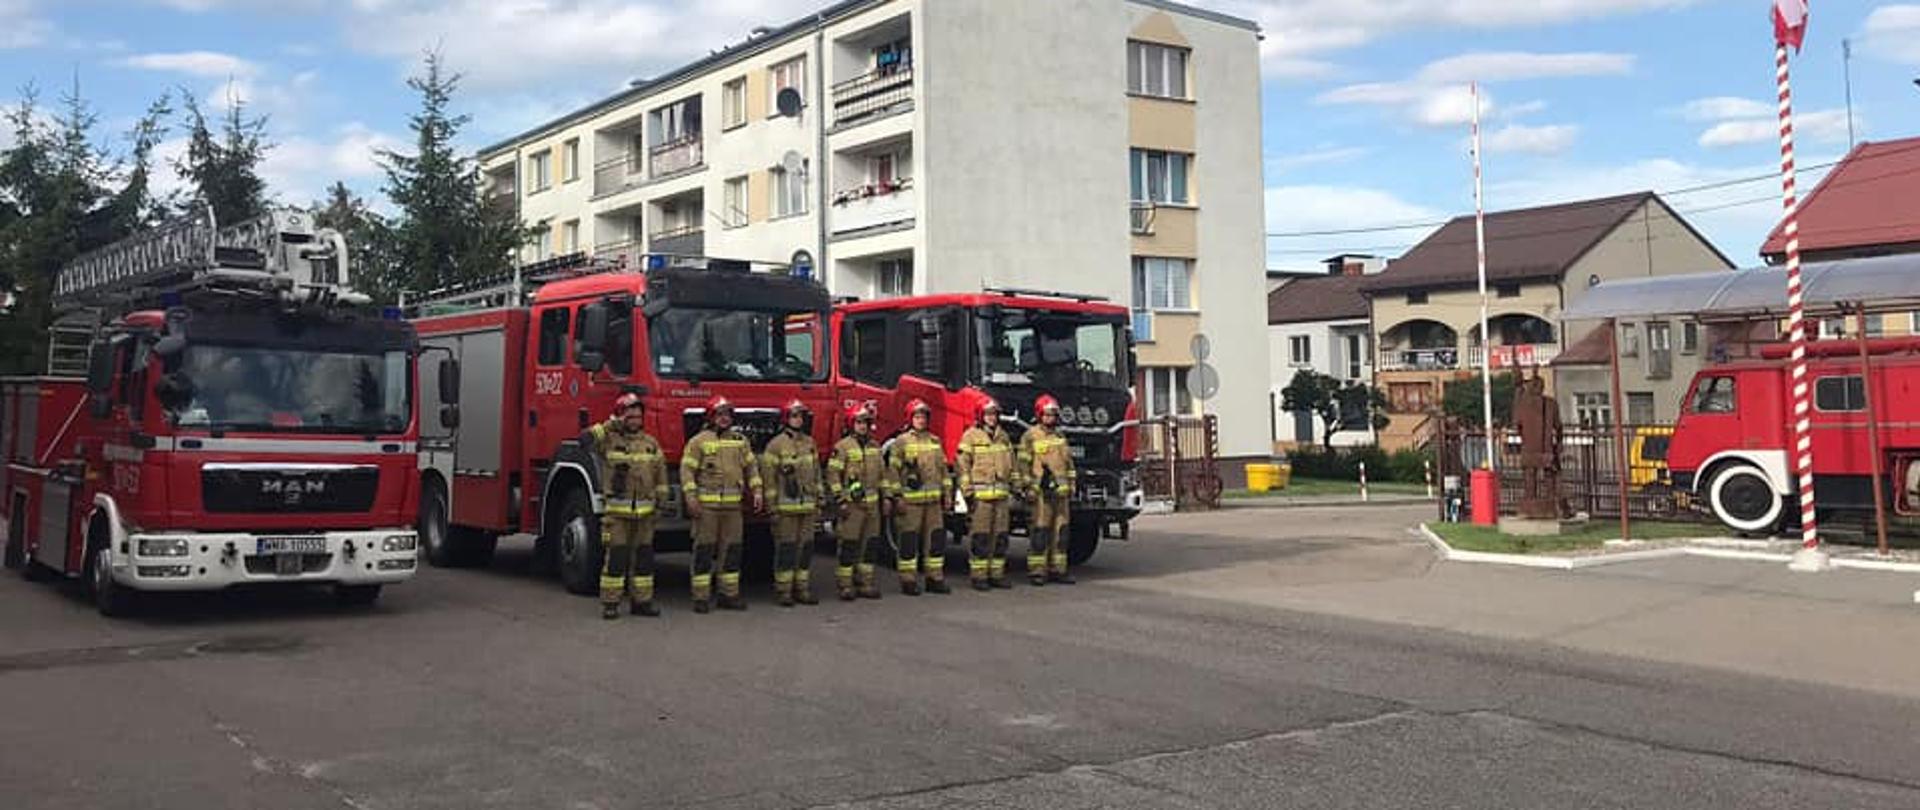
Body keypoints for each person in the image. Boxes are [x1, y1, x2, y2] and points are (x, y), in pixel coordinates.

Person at [580, 393, 668, 619]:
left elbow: (661, 477)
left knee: (643, 560)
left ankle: (642, 602)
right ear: (620, 417)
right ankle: (611, 603)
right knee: (616, 559)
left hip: (645, 515)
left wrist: (661, 504)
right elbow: (585, 439)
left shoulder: (651, 444)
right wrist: (611, 423)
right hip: (617, 516)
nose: (635, 420)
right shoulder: (608, 441)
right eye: (630, 416)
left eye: (638, 416)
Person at [681, 395, 763, 613]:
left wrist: (757, 491)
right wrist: (691, 497)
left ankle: (729, 594)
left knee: (733, 550)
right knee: (704, 551)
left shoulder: (740, 441)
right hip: (706, 508)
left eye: (727, 414)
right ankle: (700, 597)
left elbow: (752, 468)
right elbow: (687, 470)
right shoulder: (698, 441)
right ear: (711, 417)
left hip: (733, 508)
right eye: (720, 414)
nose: (724, 419)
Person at [887, 399, 952, 595]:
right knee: (908, 542)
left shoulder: (935, 441)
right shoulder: (901, 442)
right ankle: (908, 580)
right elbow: (892, 472)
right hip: (911, 503)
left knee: (936, 541)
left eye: (923, 417)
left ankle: (935, 578)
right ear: (910, 418)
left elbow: (943, 472)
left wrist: (947, 494)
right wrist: (896, 497)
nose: (921, 420)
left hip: (933, 503)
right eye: (917, 416)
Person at [762, 399, 822, 608]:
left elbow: (816, 475)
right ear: (786, 419)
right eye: (794, 416)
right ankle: (784, 591)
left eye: (801, 416)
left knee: (805, 548)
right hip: (785, 509)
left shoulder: (810, 443)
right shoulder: (775, 445)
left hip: (807, 507)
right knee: (786, 549)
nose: (798, 420)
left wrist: (819, 502)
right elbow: (769, 481)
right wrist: (772, 508)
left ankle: (802, 589)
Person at [826, 401, 888, 601]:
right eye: (859, 422)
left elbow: (883, 475)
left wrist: (887, 497)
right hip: (852, 507)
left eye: (866, 422)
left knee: (869, 546)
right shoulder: (842, 447)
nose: (863, 426)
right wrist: (840, 500)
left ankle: (866, 583)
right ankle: (845, 585)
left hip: (872, 507)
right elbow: (833, 475)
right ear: (851, 423)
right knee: (849, 545)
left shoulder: (875, 447)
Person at [956, 395, 1019, 590]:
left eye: (994, 414)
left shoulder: (1003, 437)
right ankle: (979, 576)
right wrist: (967, 491)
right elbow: (962, 465)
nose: (992, 418)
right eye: (988, 414)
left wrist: (1017, 487)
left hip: (1000, 498)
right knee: (980, 538)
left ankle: (997, 574)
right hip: (980, 498)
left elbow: (1013, 464)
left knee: (1000, 538)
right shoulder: (971, 436)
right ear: (980, 416)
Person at [1021, 394, 1077, 586]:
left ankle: (1058, 570)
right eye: (1047, 415)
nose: (1050, 419)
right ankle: (1037, 572)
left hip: (1061, 495)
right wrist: (1029, 487)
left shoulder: (1060, 437)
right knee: (1040, 533)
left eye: (1053, 415)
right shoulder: (1030, 436)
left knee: (1061, 533)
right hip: (1041, 496)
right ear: (1039, 415)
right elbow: (1023, 465)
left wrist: (1071, 485)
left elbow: (1069, 464)